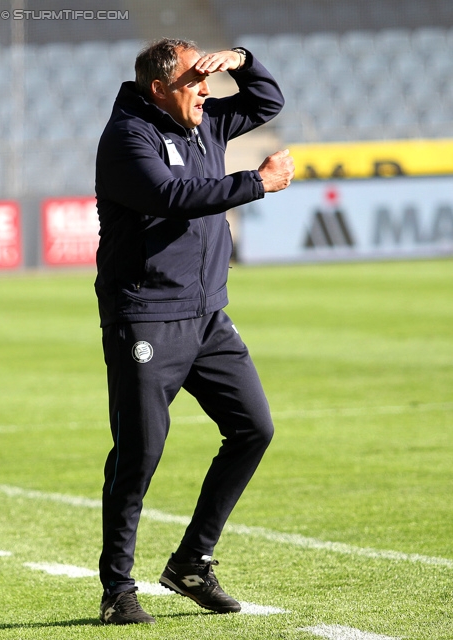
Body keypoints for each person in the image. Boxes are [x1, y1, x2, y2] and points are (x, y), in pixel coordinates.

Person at [95, 37, 295, 625]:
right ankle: (116, 589)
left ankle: (190, 563)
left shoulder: (202, 121)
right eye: (193, 81)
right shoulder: (128, 137)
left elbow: (266, 100)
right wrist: (255, 183)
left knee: (253, 428)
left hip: (208, 315)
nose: (205, 92)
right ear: (160, 88)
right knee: (140, 453)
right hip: (147, 315)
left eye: (206, 82)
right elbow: (170, 196)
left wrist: (239, 58)